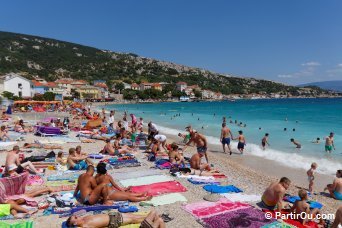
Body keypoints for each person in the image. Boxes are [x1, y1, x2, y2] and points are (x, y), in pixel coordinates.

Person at [66, 210, 165, 228]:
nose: (77, 216)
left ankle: (153, 219)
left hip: (112, 215)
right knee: (133, 220)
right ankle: (155, 221)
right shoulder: (85, 226)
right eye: (75, 218)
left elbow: (81, 210)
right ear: (75, 224)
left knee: (133, 216)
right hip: (113, 221)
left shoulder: (84, 218)